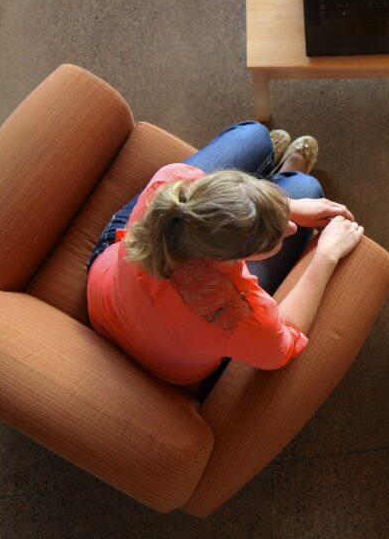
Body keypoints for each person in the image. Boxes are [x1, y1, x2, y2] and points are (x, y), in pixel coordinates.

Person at [86, 121, 364, 399]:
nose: (291, 228)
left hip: (107, 292)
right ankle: (287, 176)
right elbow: (285, 346)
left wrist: (289, 207)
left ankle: (272, 186)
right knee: (307, 186)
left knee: (254, 135)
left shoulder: (172, 189)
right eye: (274, 240)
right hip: (169, 370)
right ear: (235, 257)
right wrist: (326, 256)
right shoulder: (238, 315)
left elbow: (207, 203)